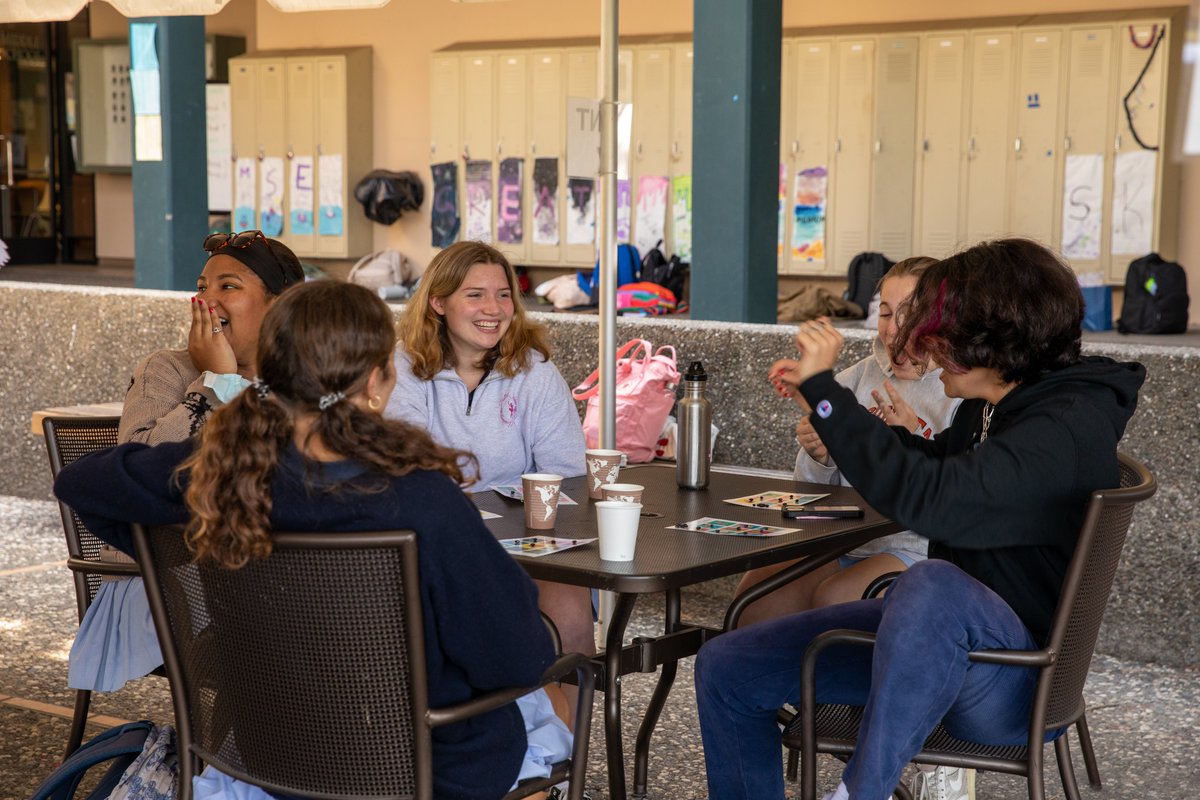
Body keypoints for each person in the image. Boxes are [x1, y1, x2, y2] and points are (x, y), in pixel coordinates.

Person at [56, 281, 566, 799]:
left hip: (269, 756)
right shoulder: (424, 501)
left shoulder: (215, 480)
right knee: (548, 704)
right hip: (427, 769)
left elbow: (80, 483)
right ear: (376, 382)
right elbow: (518, 659)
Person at [694, 239, 1145, 800]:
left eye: (936, 329)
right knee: (726, 665)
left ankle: (862, 792)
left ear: (992, 336)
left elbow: (929, 498)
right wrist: (836, 415)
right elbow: (929, 462)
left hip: (1012, 676)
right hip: (938, 650)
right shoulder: (998, 406)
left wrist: (825, 391)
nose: (920, 344)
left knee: (931, 582)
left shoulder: (1058, 431)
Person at [387, 240, 594, 668]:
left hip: (526, 547)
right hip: (435, 546)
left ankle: (567, 734)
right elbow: (409, 473)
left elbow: (568, 475)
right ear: (439, 302)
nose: (494, 309)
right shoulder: (402, 368)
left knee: (569, 605)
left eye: (504, 295)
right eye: (475, 294)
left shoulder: (535, 371)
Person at [736, 257, 961, 626]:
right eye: (886, 314)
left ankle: (828, 682)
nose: (894, 330)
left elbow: (957, 492)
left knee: (836, 599)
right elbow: (807, 492)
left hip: (915, 547)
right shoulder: (855, 379)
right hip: (840, 539)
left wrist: (915, 438)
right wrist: (819, 454)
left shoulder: (960, 388)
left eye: (911, 313)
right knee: (754, 599)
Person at [118, 230, 306, 445]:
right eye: (201, 287)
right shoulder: (167, 369)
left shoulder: (313, 373)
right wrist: (217, 383)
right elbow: (138, 465)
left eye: (228, 286)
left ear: (280, 306)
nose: (205, 299)